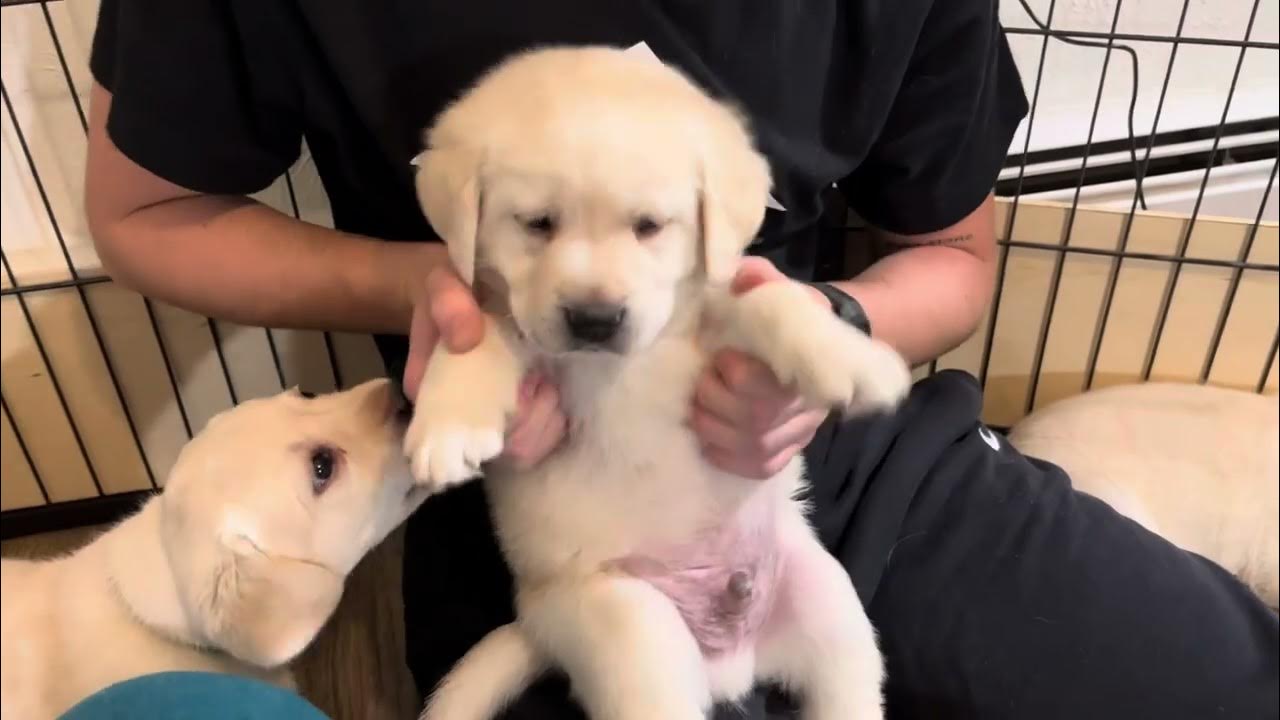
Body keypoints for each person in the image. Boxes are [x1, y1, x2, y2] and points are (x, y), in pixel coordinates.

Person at [84, 2, 1278, 718]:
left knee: (1225, 685)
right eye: (539, 222)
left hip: (819, 479)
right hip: (547, 515)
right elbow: (142, 209)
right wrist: (433, 293)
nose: (598, 286)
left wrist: (832, 334)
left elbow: (952, 250)